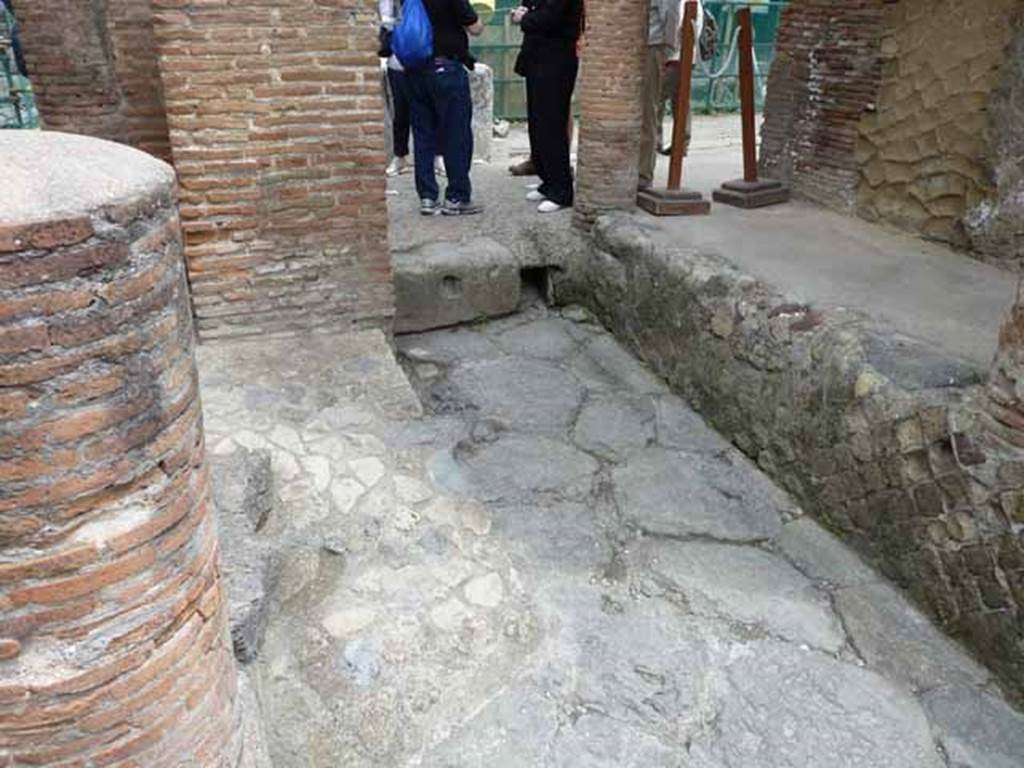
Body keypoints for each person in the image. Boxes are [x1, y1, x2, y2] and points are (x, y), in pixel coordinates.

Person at [405, 0, 484, 216]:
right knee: (456, 134)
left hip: (413, 70)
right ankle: (456, 197)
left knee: (423, 136)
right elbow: (475, 27)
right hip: (446, 67)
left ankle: (428, 198)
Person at [511, 0, 583, 213]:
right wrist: (522, 12)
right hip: (536, 58)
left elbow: (549, 18)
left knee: (551, 125)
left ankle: (562, 190)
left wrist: (524, 17)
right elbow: (530, 8)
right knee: (538, 123)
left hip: (556, 59)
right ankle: (548, 181)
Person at [640, 0, 702, 189]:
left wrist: (667, 51)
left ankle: (644, 172)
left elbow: (674, 19)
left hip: (668, 54)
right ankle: (679, 143)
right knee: (676, 102)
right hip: (676, 55)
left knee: (653, 105)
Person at [379, 0, 412, 177]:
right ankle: (400, 156)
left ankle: (436, 156)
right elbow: (384, 21)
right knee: (400, 111)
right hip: (397, 60)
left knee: (430, 110)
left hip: (423, 56)